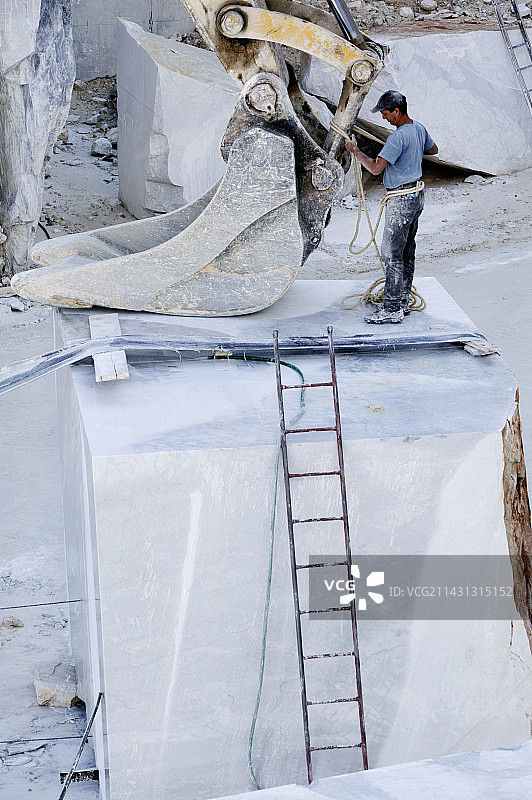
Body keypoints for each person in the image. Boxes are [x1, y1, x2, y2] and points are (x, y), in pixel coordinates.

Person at [346, 90, 438, 324]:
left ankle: (392, 308)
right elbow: (433, 150)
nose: (384, 118)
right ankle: (403, 299)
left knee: (392, 254)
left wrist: (355, 151)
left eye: (386, 114)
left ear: (397, 111)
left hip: (401, 199)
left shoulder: (397, 138)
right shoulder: (418, 129)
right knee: (407, 250)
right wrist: (412, 152)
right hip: (416, 196)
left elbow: (376, 168)